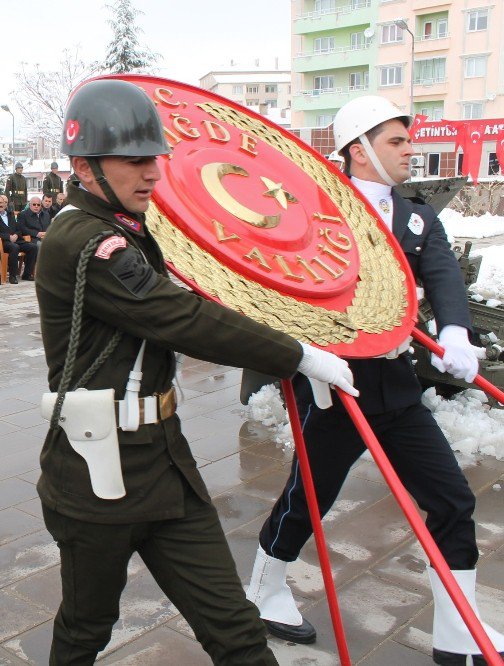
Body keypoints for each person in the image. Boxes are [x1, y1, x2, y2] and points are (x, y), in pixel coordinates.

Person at [33, 78, 358, 665]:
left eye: (154, 157)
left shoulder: (128, 229)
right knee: (86, 628)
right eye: (134, 161)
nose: (153, 172)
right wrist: (297, 354)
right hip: (96, 472)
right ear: (84, 168)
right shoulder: (82, 239)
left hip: (162, 461)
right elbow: (178, 316)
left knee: (234, 628)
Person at [249, 95, 504, 664]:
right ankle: (263, 590)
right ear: (358, 151)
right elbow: (286, 284)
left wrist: (458, 333)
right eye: (396, 141)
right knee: (308, 500)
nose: (410, 150)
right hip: (334, 385)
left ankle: (457, 635)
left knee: (453, 500)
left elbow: (440, 273)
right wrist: (307, 351)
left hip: (394, 386)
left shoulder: (415, 216)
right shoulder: (314, 212)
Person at [0, 194, 37, 284]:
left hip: (17, 239)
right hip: (3, 242)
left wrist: (16, 235)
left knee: (33, 247)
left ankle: (27, 274)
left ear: (5, 204)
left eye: (1, 202)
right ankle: (12, 276)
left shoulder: (10, 214)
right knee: (14, 247)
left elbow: (18, 228)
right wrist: (8, 237)